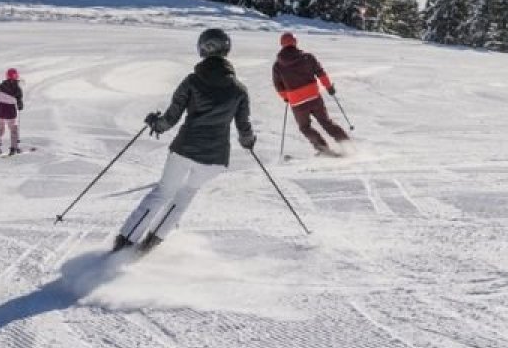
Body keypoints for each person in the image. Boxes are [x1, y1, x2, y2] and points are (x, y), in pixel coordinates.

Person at [113, 27, 255, 253]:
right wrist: (248, 142)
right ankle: (151, 243)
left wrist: (156, 123)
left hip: (185, 149)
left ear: (203, 49)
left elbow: (171, 118)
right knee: (186, 194)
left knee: (163, 192)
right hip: (216, 158)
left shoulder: (192, 81)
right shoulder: (239, 89)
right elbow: (244, 127)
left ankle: (125, 243)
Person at [273, 32, 350, 155]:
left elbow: (278, 86)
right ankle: (347, 144)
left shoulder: (278, 65)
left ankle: (323, 149)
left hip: (297, 102)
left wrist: (286, 97)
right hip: (314, 97)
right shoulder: (307, 57)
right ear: (295, 42)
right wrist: (329, 87)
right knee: (326, 122)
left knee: (305, 127)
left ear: (282, 44)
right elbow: (321, 73)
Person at [0, 68, 24, 155]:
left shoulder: (1, 86)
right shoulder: (17, 88)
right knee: (13, 130)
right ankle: (14, 148)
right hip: (10, 111)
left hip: (0, 110)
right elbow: (19, 101)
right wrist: (20, 106)